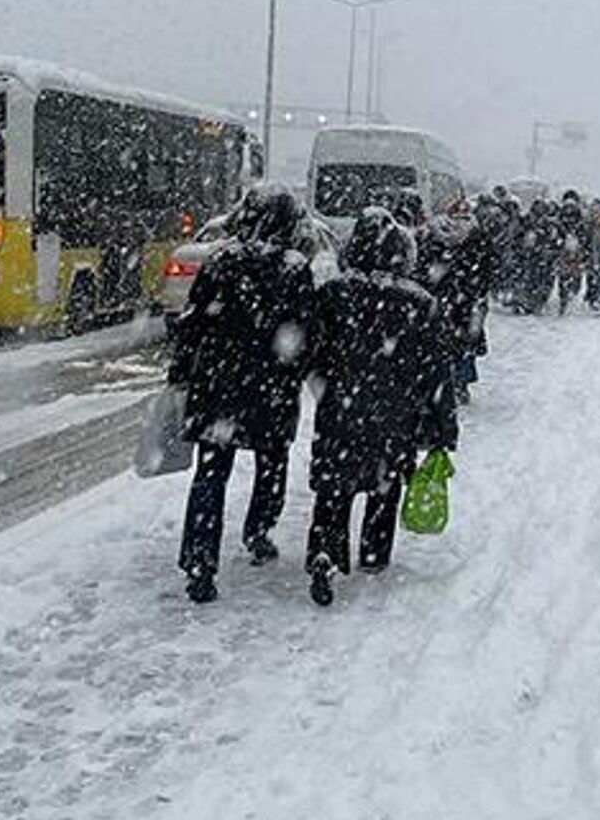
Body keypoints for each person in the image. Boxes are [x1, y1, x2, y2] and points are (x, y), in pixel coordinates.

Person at [169, 187, 317, 604]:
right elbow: (304, 333)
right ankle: (259, 529)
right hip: (270, 387)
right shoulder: (293, 268)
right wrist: (294, 369)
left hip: (218, 384)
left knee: (211, 472)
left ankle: (200, 559)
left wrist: (181, 372)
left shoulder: (220, 261)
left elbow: (193, 322)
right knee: (272, 461)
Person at [305, 210, 458, 607]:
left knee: (333, 489)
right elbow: (437, 372)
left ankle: (325, 552)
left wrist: (325, 381)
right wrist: (444, 428)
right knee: (382, 485)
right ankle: (373, 554)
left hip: (340, 407)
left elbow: (311, 350)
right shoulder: (419, 303)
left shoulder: (334, 293)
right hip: (395, 414)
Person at [420, 198, 495, 403]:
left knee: (443, 340)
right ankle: (460, 381)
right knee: (465, 342)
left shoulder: (436, 235)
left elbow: (425, 267)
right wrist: (478, 290)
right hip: (468, 299)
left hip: (444, 297)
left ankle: (448, 380)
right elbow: (489, 267)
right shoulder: (478, 236)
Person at [515, 198, 561, 314]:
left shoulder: (550, 223)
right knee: (529, 280)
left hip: (544, 258)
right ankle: (528, 302)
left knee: (544, 281)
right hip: (529, 257)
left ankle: (538, 302)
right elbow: (518, 236)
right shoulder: (527, 220)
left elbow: (556, 240)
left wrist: (551, 250)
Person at [554, 190, 588, 315]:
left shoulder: (563, 214)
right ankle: (566, 297)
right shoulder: (577, 214)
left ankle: (565, 299)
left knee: (565, 276)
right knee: (571, 275)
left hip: (568, 248)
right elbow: (583, 231)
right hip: (571, 249)